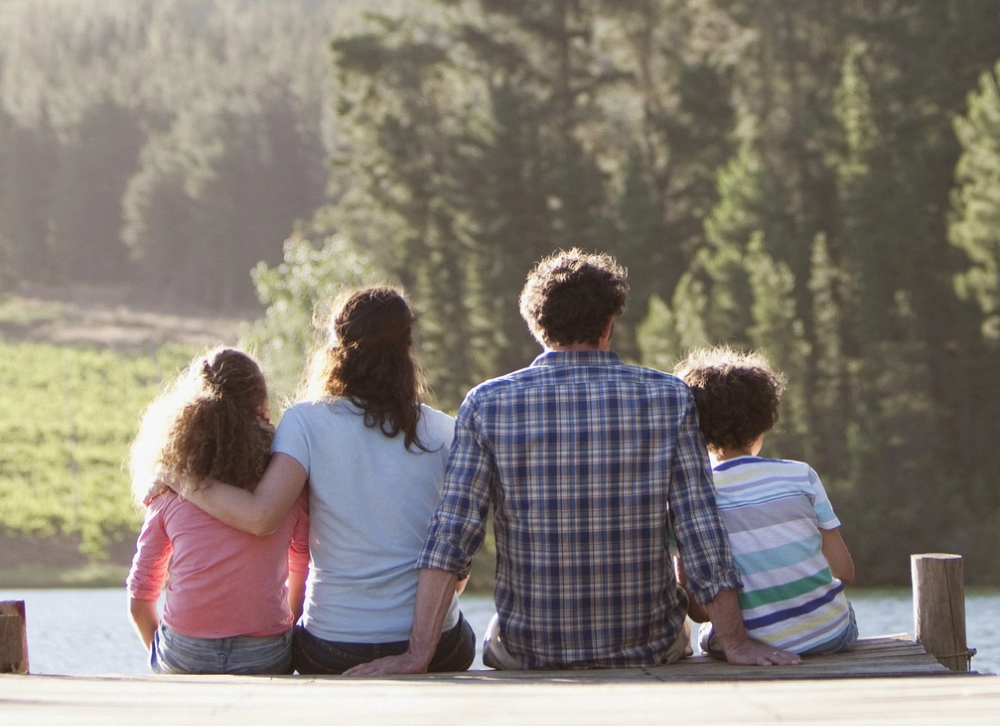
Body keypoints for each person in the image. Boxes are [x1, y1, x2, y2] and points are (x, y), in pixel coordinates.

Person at [348, 249, 801, 676]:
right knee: (683, 630)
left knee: (493, 632)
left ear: (537, 326)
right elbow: (699, 530)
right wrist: (736, 642)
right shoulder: (668, 399)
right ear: (608, 324)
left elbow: (452, 537)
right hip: (648, 646)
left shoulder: (487, 404)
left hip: (530, 652)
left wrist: (417, 654)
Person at [168, 286, 476, 675]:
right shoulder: (445, 432)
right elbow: (457, 576)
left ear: (334, 352)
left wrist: (181, 479)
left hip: (334, 646)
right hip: (436, 649)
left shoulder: (304, 422)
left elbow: (261, 517)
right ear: (408, 352)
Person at [127, 347, 309, 675]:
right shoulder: (284, 487)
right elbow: (303, 568)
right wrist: (284, 630)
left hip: (185, 650)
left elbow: (140, 598)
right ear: (262, 407)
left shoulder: (168, 489)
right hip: (266, 651)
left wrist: (168, 651)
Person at [674, 346, 858, 657]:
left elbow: (700, 611)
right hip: (831, 635)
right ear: (764, 422)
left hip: (749, 643)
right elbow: (844, 572)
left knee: (708, 635)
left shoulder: (691, 496)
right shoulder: (802, 476)